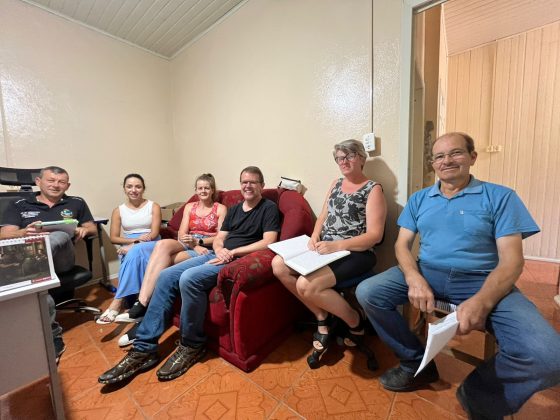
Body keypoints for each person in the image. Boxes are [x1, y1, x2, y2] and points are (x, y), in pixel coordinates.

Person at [355, 132, 560, 419]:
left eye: (456, 153)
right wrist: (414, 278)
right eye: (439, 156)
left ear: (472, 157)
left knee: (549, 356)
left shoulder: (500, 197)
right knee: (368, 292)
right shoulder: (420, 199)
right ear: (433, 164)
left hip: (483, 280)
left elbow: (512, 261)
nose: (447, 160)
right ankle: (415, 364)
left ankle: (478, 394)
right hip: (427, 271)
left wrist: (482, 301)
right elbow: (402, 246)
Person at [98, 166, 281, 384]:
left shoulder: (268, 208)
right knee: (165, 276)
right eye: (244, 182)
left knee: (188, 278)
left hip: (235, 260)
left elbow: (269, 241)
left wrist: (232, 253)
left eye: (253, 182)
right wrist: (220, 248)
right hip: (217, 254)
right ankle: (144, 348)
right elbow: (220, 237)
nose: (247, 186)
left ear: (262, 185)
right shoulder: (234, 209)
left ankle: (192, 344)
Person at [272, 139, 386, 366]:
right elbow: (323, 216)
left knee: (306, 285)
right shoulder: (336, 183)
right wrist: (315, 236)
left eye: (349, 156)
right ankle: (321, 316)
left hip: (356, 252)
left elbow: (375, 236)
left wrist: (337, 245)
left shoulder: (373, 189)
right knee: (278, 265)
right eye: (339, 158)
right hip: (326, 248)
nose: (344, 161)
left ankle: (355, 320)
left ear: (361, 158)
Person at [113, 174, 227, 348]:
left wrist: (198, 243)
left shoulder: (220, 209)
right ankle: (141, 303)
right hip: (187, 243)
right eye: (199, 188)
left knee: (163, 265)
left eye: (207, 188)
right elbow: (181, 233)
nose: (203, 191)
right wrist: (191, 243)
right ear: (195, 190)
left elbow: (221, 237)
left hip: (205, 247)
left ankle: (144, 316)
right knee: (161, 245)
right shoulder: (190, 207)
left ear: (212, 190)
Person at [0, 166, 97, 362]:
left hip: (62, 259)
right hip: (30, 258)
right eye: (51, 180)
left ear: (67, 185)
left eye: (61, 182)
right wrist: (23, 232)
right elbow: (4, 235)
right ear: (38, 182)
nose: (56, 185)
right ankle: (52, 335)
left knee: (59, 235)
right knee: (40, 281)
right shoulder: (19, 204)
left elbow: (92, 228)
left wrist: (84, 230)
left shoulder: (76, 202)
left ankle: (30, 271)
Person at [96, 174, 162, 324]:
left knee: (134, 252)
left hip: (151, 243)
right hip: (131, 243)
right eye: (129, 186)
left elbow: (154, 233)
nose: (134, 190)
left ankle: (117, 302)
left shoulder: (153, 206)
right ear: (124, 189)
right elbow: (114, 238)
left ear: (143, 188)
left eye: (138, 186)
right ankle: (139, 305)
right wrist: (134, 241)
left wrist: (136, 245)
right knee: (132, 254)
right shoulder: (118, 210)